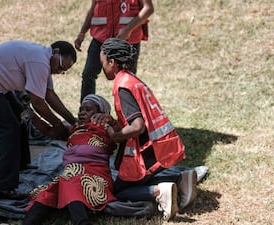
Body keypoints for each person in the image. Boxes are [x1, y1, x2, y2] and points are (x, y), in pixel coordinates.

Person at [0, 40, 78, 200]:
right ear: (55, 52)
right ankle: (1, 188)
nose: (59, 71)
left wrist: (72, 120)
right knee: (8, 129)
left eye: (63, 71)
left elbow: (50, 95)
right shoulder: (40, 61)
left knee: (18, 118)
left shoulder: (44, 60)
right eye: (61, 66)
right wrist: (58, 126)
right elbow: (38, 103)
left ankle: (20, 165)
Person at [95, 37, 196, 221]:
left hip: (147, 152)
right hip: (161, 146)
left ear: (112, 62)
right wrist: (111, 121)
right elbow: (131, 119)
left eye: (102, 62)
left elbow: (137, 126)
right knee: (137, 181)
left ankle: (159, 192)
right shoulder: (131, 79)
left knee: (118, 192)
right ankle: (181, 180)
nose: (102, 68)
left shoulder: (122, 85)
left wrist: (115, 136)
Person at [23, 94, 118, 225]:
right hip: (71, 174)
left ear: (100, 113)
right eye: (81, 110)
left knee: (69, 181)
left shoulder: (106, 127)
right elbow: (51, 132)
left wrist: (110, 120)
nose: (82, 113)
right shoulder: (74, 130)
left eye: (88, 110)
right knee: (47, 194)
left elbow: (122, 131)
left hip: (96, 176)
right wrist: (34, 117)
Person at [74, 0, 154, 101]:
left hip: (128, 40)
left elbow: (148, 8)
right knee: (88, 74)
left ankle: (128, 113)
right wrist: (82, 33)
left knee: (128, 79)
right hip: (101, 38)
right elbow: (93, 9)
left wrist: (128, 29)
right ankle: (86, 110)